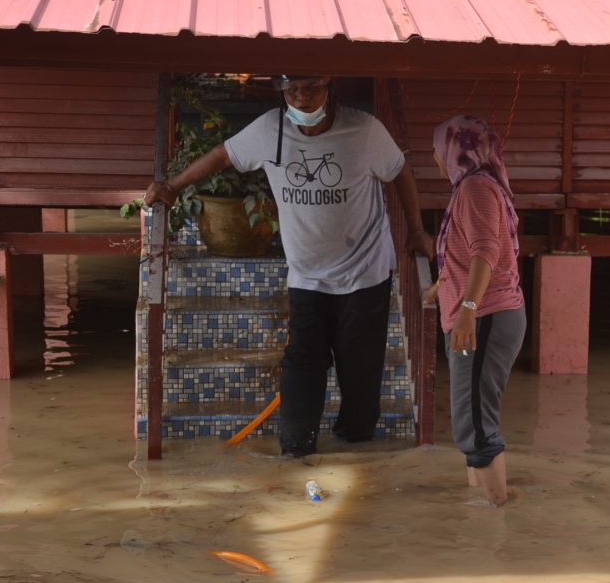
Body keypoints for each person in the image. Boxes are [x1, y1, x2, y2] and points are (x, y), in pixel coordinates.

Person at [146, 75, 433, 457]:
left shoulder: (365, 131)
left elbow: (399, 171)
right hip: (307, 277)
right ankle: (296, 455)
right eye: (292, 90)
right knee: (301, 366)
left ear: (330, 89)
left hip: (364, 275)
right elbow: (223, 155)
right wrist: (174, 185)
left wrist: (416, 230)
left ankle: (359, 453)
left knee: (361, 378)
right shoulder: (269, 130)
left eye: (310, 88)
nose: (302, 97)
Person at [425, 115, 526, 506]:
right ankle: (478, 508)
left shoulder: (475, 189)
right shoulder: (478, 186)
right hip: (486, 314)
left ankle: (499, 518)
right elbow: (472, 253)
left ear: (454, 152)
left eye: (438, 150)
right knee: (475, 417)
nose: (435, 158)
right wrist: (442, 286)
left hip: (485, 317)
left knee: (475, 426)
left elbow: (486, 251)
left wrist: (467, 307)